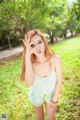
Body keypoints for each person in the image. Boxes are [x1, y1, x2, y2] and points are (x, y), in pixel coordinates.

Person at [20, 29, 62, 120]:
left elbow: (59, 81)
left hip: (51, 94)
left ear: (44, 42)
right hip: (36, 94)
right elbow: (30, 83)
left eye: (39, 42)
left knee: (51, 117)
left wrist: (54, 100)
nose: (37, 47)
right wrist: (27, 55)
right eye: (33, 45)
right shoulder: (32, 64)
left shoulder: (55, 59)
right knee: (39, 118)